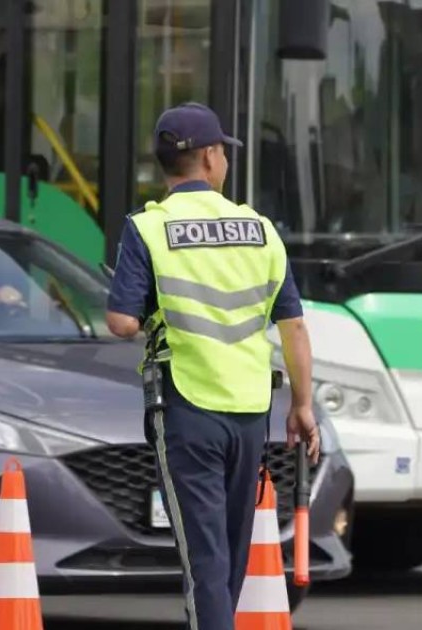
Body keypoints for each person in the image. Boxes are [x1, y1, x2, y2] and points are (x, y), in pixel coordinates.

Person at [104, 102, 320, 630]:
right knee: (230, 553)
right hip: (251, 411)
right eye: (222, 150)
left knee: (204, 559)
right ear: (209, 157)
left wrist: (154, 312)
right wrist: (304, 405)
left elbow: (121, 323)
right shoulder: (259, 229)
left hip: (186, 407)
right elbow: (292, 325)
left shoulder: (148, 229)